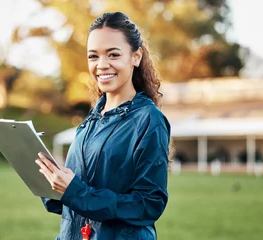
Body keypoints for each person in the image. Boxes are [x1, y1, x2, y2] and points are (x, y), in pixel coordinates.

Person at [35, 11, 171, 240]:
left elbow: (149, 204)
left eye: (113, 54)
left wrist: (76, 192)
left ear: (135, 57)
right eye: (93, 56)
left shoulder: (149, 120)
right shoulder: (90, 120)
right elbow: (75, 200)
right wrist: (51, 183)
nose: (102, 65)